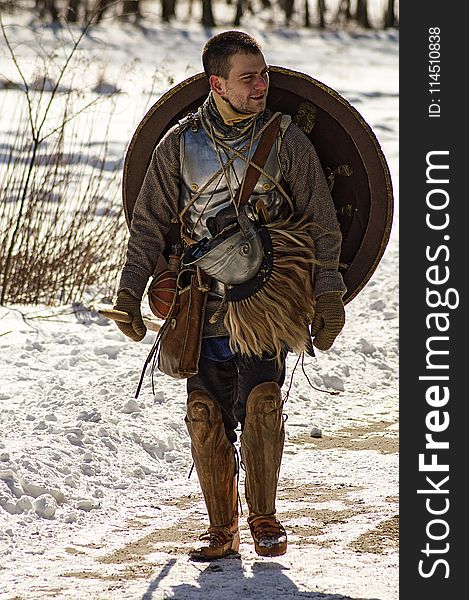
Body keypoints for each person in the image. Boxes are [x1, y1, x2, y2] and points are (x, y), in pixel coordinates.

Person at [112, 31, 346, 560]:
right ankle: (222, 527)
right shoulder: (179, 145)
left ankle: (264, 518)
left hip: (268, 298)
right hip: (201, 298)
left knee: (262, 404)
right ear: (217, 83)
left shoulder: (289, 142)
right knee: (204, 410)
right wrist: (129, 293)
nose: (263, 85)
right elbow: (148, 226)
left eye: (264, 74)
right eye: (249, 77)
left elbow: (323, 225)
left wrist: (329, 296)